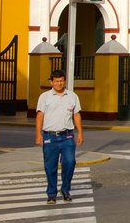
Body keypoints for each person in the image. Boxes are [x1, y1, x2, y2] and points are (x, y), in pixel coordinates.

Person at [35, 69, 84, 204]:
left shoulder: (72, 96)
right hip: (50, 137)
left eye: (61, 81)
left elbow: (76, 114)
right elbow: (40, 116)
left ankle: (65, 189)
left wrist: (80, 132)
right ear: (51, 82)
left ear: (64, 81)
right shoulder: (45, 97)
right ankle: (51, 193)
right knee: (50, 166)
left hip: (67, 136)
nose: (59, 83)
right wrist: (38, 134)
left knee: (70, 162)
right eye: (56, 81)